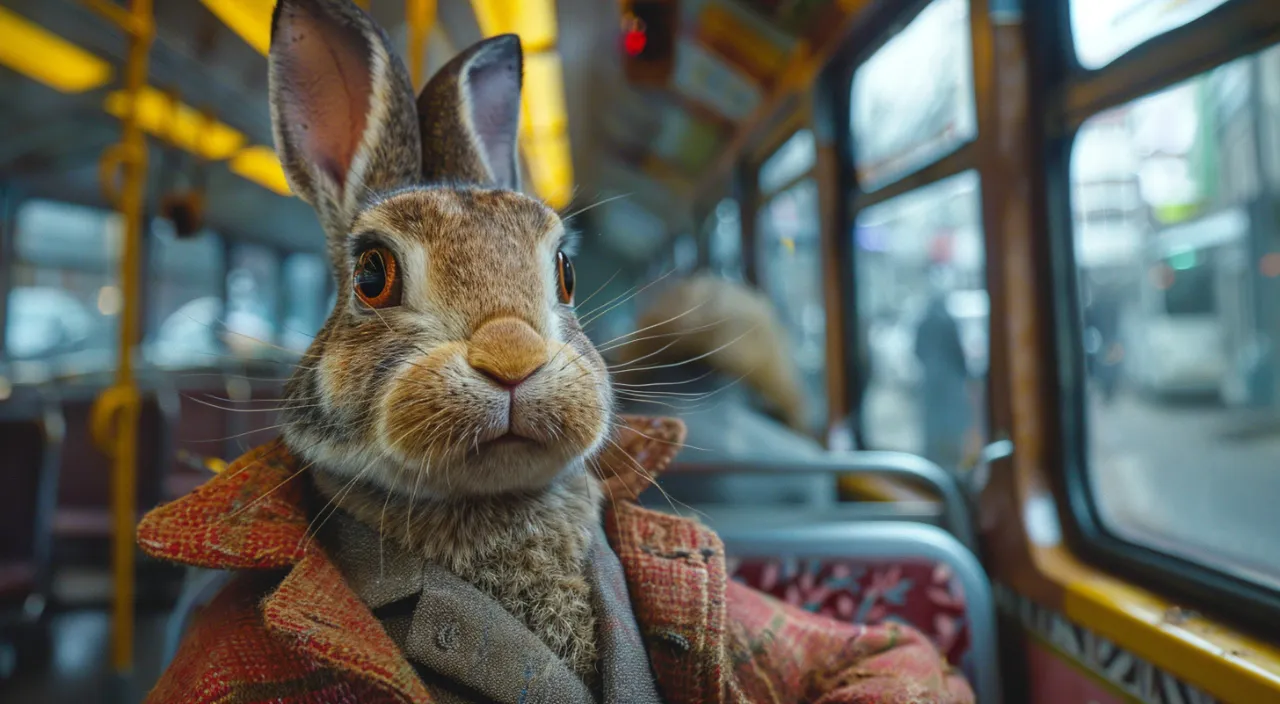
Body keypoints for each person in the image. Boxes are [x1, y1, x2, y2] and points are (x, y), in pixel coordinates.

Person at [914, 269, 973, 472]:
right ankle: (950, 466)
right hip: (949, 383)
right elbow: (958, 354)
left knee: (934, 427)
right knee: (950, 427)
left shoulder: (924, 320)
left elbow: (917, 351)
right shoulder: (948, 320)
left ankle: (934, 464)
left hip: (931, 381)